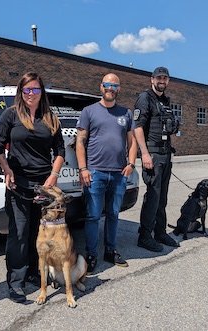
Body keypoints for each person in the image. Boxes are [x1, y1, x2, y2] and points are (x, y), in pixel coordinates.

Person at [0, 72, 65, 303]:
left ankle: (34, 273)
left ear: (41, 92)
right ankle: (16, 282)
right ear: (21, 92)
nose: (31, 94)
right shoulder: (10, 115)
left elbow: (60, 150)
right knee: (19, 234)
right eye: (27, 90)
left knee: (38, 233)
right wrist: (7, 169)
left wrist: (53, 175)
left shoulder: (50, 118)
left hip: (44, 186)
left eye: (35, 89)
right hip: (18, 184)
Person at [76, 73, 137, 274]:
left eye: (114, 85)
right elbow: (80, 141)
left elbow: (132, 141)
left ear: (119, 88)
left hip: (119, 173)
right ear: (101, 86)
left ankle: (110, 250)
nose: (110, 88)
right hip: (95, 172)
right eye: (107, 84)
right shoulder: (89, 111)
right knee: (93, 216)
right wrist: (83, 168)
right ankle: (91, 255)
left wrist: (131, 164)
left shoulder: (126, 113)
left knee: (113, 214)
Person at [134, 66, 180, 252]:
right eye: (159, 78)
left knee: (162, 197)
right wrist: (144, 154)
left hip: (165, 153)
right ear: (152, 80)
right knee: (153, 196)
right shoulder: (145, 98)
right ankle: (145, 236)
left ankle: (160, 232)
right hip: (152, 154)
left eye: (165, 78)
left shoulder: (165, 101)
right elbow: (137, 127)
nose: (162, 81)